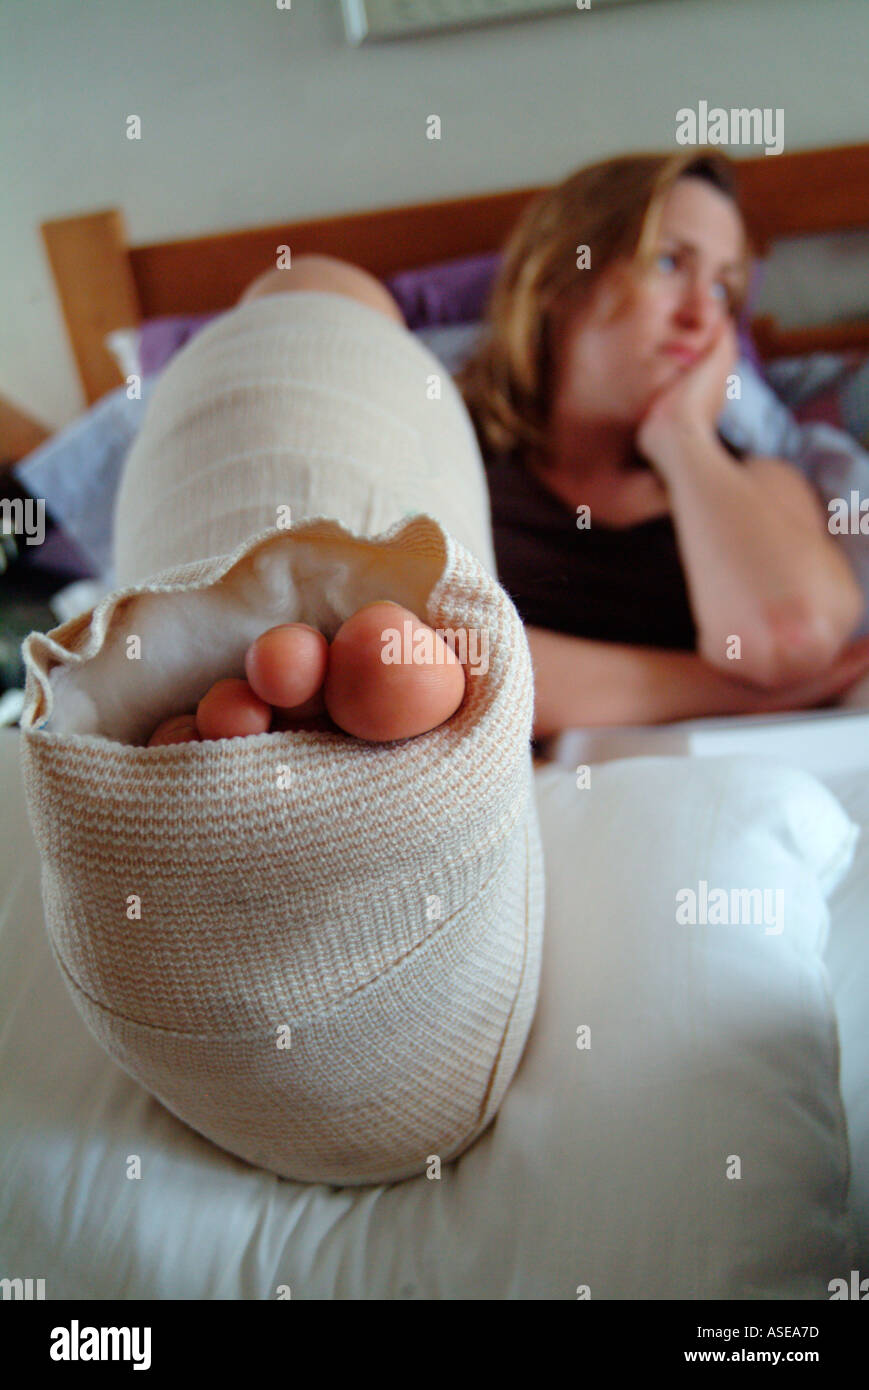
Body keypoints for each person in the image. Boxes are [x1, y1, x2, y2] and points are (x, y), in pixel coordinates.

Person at [456, 150, 869, 737]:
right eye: (671, 263)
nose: (702, 316)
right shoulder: (453, 462)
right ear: (557, 279)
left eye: (725, 289)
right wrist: (734, 695)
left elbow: (788, 643)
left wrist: (683, 436)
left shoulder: (764, 482)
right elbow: (445, 660)